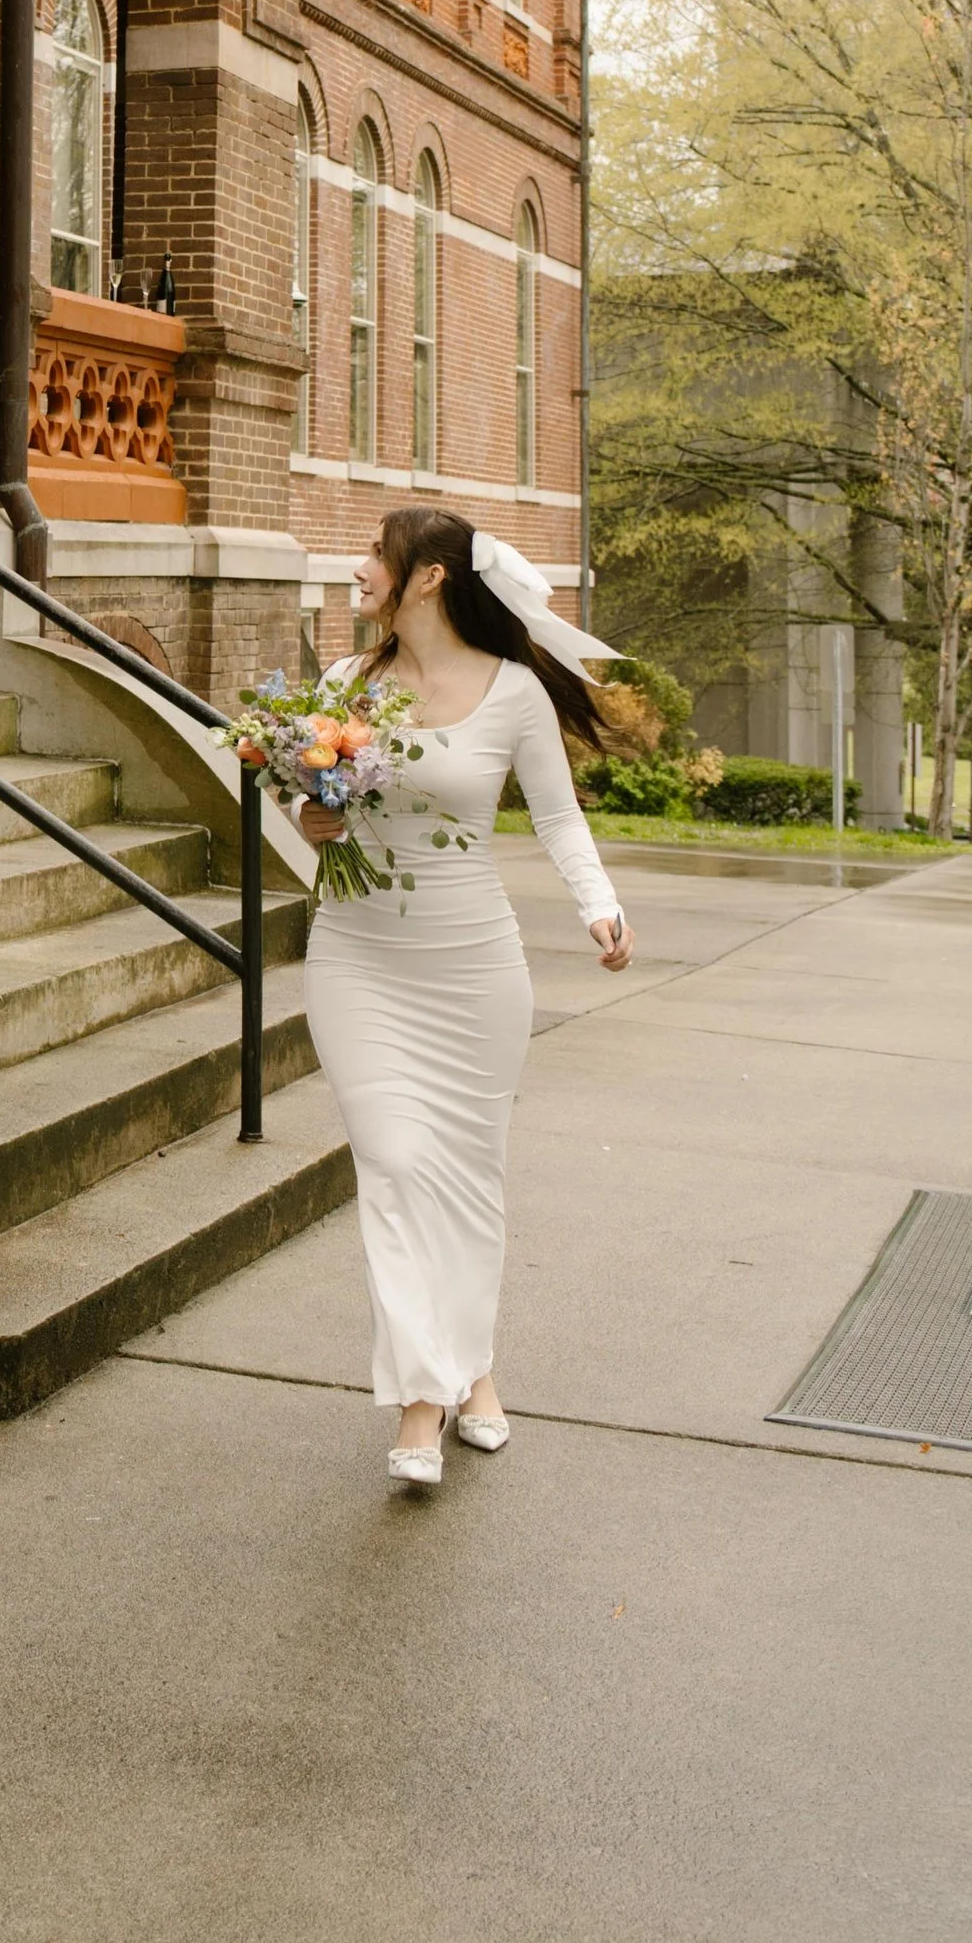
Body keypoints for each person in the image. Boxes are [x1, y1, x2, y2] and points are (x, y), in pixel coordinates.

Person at [296, 506, 633, 1492]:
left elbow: (560, 821)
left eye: (373, 553)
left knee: (466, 1175)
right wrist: (312, 813)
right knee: (396, 1166)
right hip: (357, 957)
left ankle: (471, 1370)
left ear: (428, 578)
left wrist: (598, 906)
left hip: (473, 968)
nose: (358, 568)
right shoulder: (342, 686)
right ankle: (420, 1395)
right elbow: (313, 826)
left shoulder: (517, 694)